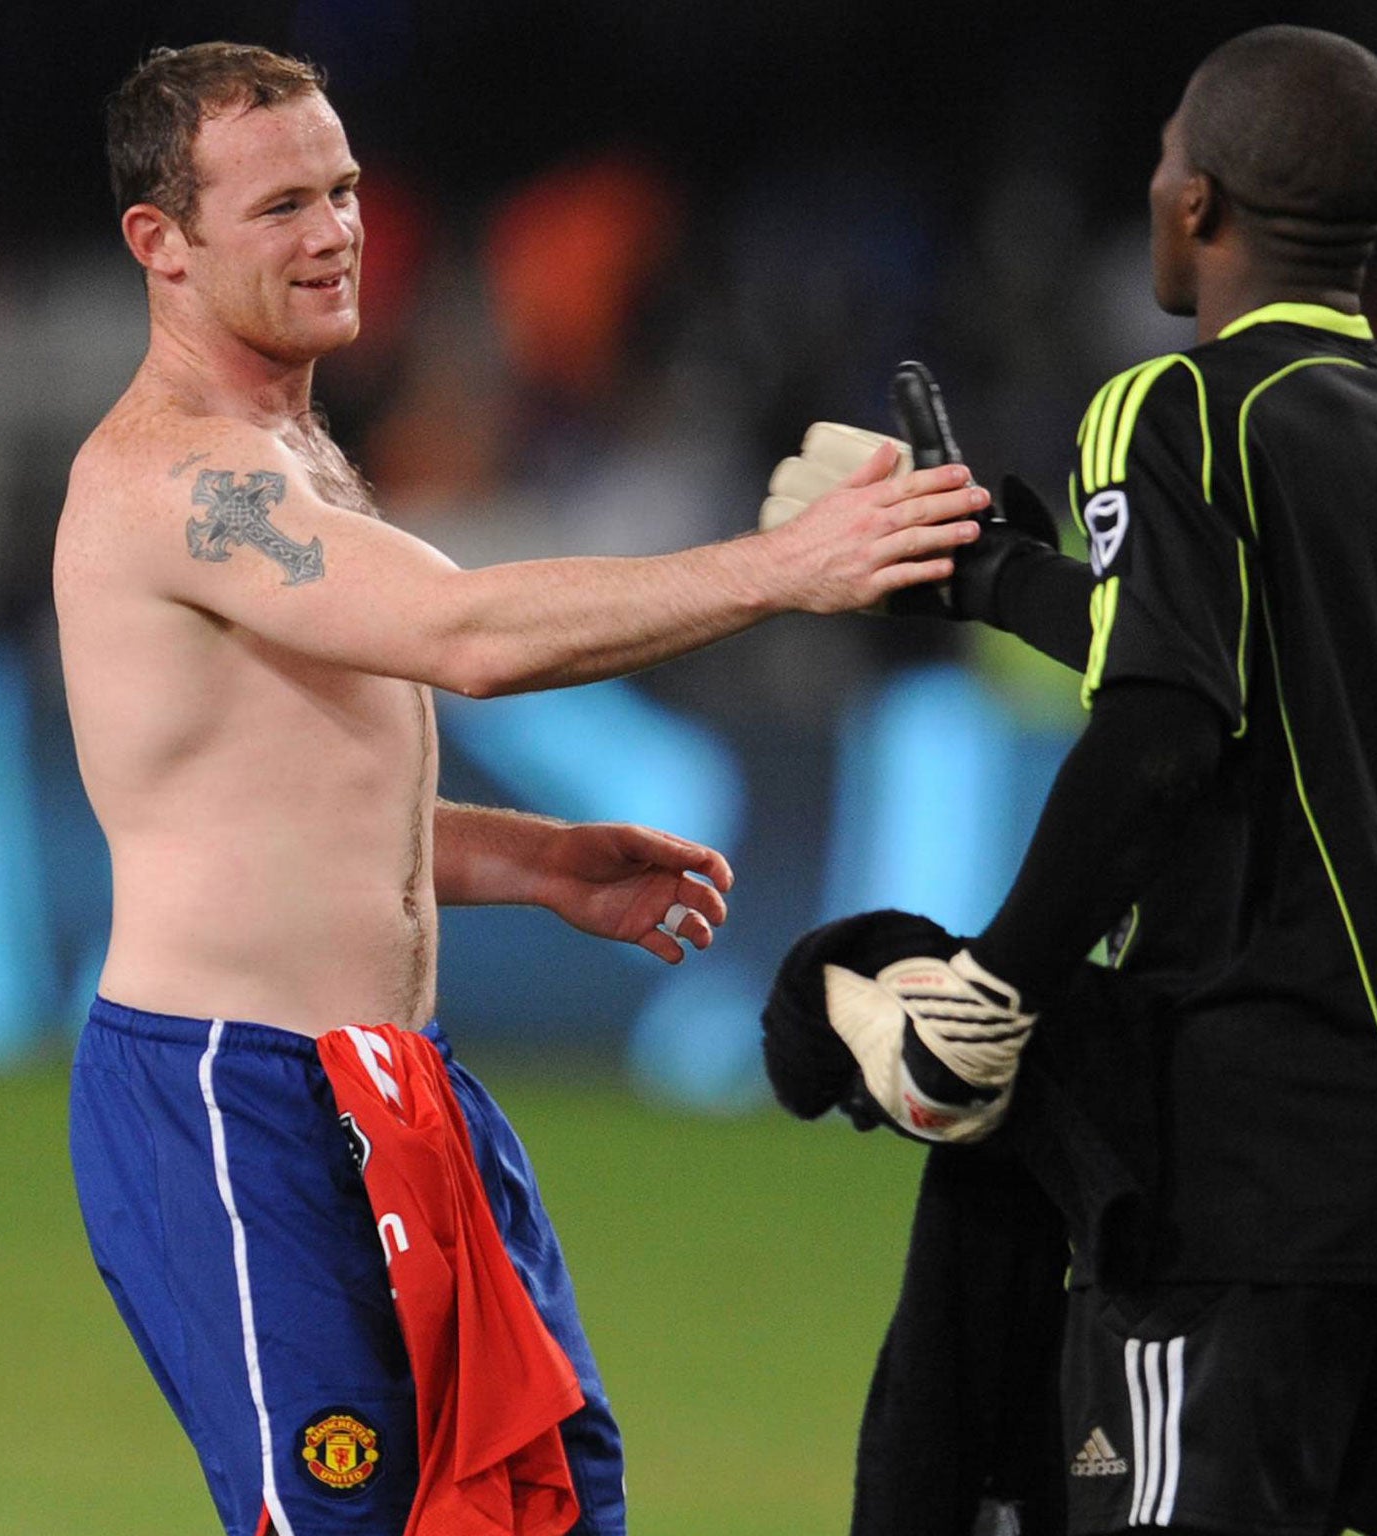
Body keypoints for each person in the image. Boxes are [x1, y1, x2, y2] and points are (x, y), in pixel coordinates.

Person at [56, 41, 989, 1536]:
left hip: (394, 1086)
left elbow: (277, 807)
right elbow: (464, 637)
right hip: (232, 1106)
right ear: (160, 246)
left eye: (346, 189)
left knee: (546, 1503)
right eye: (283, 203)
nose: (337, 230)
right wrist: (787, 570)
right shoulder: (185, 482)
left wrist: (527, 860)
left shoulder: (287, 450)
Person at [791, 26, 1377, 1536]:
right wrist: (994, 575)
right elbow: (1240, 673)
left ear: (1199, 201)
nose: (1149, 182)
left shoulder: (1176, 407)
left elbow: (1162, 732)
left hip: (1261, 1144)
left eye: (1164, 154)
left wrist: (993, 987)